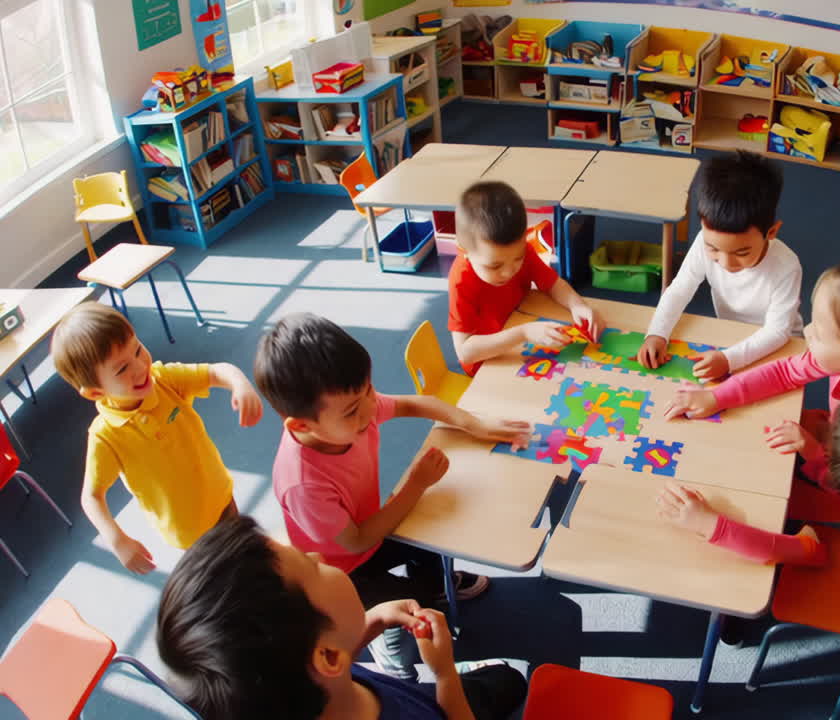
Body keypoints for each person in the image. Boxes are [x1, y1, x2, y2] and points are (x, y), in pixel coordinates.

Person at [255, 312, 530, 679]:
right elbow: (356, 542)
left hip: (370, 527)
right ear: (303, 426)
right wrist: (415, 485)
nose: (371, 408)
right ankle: (395, 664)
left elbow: (412, 404)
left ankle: (436, 585)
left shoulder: (352, 410)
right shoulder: (303, 483)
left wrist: (473, 423)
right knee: (403, 610)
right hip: (341, 568)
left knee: (436, 531)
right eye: (354, 409)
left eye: (369, 389)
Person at [665, 260, 840, 527]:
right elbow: (784, 372)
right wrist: (717, 397)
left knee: (764, 505)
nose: (809, 332)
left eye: (821, 333)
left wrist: (813, 452)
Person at [156, 515, 528, 720]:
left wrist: (373, 621)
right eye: (310, 568)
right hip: (440, 706)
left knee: (501, 682)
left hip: (402, 695)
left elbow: (334, 660)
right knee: (510, 682)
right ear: (328, 656)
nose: (318, 556)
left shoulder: (303, 686)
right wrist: (445, 674)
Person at [50, 302, 262, 573]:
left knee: (250, 553)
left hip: (221, 494)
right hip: (189, 531)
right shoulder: (106, 437)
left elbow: (215, 371)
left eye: (138, 350)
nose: (140, 366)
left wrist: (240, 384)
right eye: (122, 369)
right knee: (227, 575)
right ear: (95, 393)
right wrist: (117, 539)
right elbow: (91, 497)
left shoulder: (163, 380)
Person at [657, 400, 840, 565]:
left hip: (838, 516)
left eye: (826, 447)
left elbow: (769, 549)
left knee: (761, 509)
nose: (823, 422)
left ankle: (731, 625)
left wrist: (707, 524)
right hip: (837, 478)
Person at [637, 150, 802, 381]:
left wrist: (728, 359)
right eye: (713, 248)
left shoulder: (787, 265)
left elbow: (778, 331)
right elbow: (679, 289)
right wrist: (657, 333)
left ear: (771, 232)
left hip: (781, 345)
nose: (726, 263)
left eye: (742, 252)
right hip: (731, 334)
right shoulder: (703, 243)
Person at [447, 180, 605, 376]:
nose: (508, 271)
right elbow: (465, 353)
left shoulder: (519, 251)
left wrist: (578, 305)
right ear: (464, 250)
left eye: (518, 258)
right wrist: (524, 333)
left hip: (520, 332)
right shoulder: (461, 280)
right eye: (494, 266)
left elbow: (553, 284)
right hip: (489, 362)